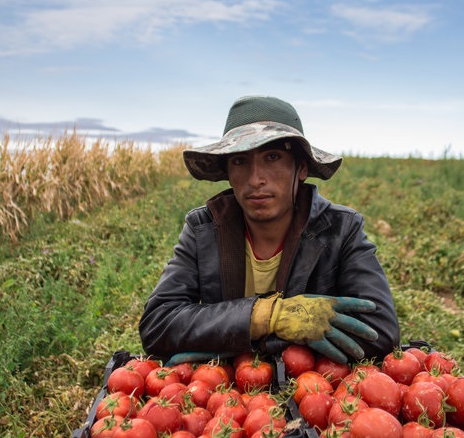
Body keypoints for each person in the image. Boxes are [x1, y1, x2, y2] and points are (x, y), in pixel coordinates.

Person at [138, 95, 399, 365]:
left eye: (272, 157)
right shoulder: (203, 229)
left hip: (309, 387)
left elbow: (381, 332)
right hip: (226, 392)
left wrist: (243, 341)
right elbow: (158, 325)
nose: (255, 179)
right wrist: (269, 315)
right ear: (228, 171)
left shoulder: (341, 229)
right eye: (239, 161)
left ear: (301, 168)